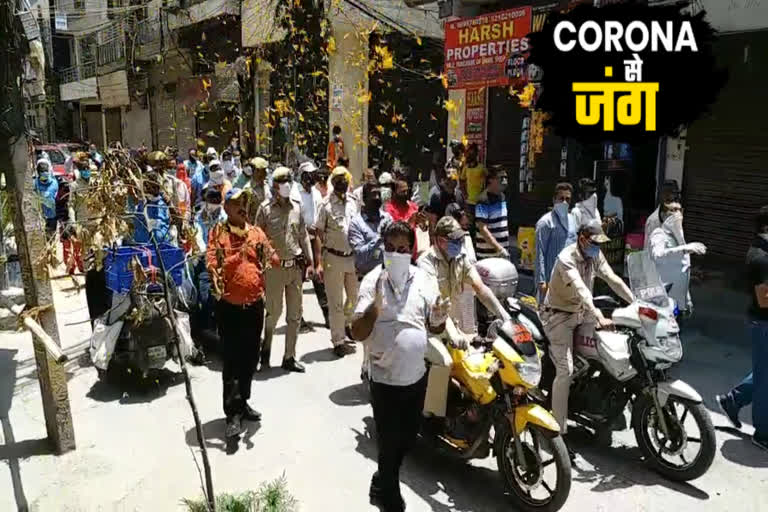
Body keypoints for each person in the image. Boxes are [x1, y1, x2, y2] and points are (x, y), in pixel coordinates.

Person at [350, 221, 447, 512]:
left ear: (412, 251)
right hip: (384, 380)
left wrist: (439, 319)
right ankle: (389, 498)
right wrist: (375, 308)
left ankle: (382, 478)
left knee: (407, 440)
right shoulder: (372, 281)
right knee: (389, 444)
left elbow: (433, 324)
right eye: (390, 248)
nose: (396, 254)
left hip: (416, 377)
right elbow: (356, 332)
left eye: (402, 249)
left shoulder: (424, 280)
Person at [542, 220, 634, 448]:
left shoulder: (595, 255)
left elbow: (613, 279)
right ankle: (557, 433)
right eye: (594, 243)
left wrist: (637, 304)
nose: (597, 248)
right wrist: (598, 316)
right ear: (582, 239)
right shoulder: (566, 259)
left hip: (582, 313)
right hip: (558, 317)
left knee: (610, 351)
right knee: (566, 370)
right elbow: (582, 291)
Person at [417, 216, 511, 418]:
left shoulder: (460, 258)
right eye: (455, 240)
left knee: (481, 363)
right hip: (429, 328)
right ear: (441, 240)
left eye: (461, 239)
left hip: (455, 328)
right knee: (444, 362)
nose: (460, 244)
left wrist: (505, 316)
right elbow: (437, 302)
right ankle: (432, 416)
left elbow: (481, 288)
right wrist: (452, 333)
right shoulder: (426, 263)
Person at [207, 188, 279, 438]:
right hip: (230, 307)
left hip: (254, 306)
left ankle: (243, 402)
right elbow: (212, 266)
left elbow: (272, 257)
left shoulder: (256, 232)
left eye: (245, 202)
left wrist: (284, 258)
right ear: (227, 208)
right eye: (237, 203)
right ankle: (232, 415)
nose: (242, 207)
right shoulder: (218, 234)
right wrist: (236, 256)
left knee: (250, 357)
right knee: (232, 360)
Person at [717, 206, 768, 452]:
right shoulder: (760, 257)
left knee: (764, 372)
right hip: (764, 323)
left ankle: (733, 401)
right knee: (766, 378)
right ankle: (763, 433)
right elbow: (764, 299)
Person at [256, 167, 314, 373]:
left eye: (289, 180)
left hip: (295, 269)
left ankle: (289, 356)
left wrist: (311, 261)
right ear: (274, 186)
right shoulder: (265, 209)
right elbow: (257, 239)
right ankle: (265, 352)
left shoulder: (296, 207)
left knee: (295, 314)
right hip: (274, 270)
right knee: (273, 313)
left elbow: (303, 235)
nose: (287, 184)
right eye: (283, 181)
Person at [313, 166, 359, 357]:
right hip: (333, 257)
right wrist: (318, 262)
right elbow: (318, 233)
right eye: (338, 179)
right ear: (332, 182)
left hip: (352, 257)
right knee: (335, 303)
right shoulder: (325, 205)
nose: (342, 182)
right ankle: (338, 340)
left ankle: (346, 324)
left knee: (354, 299)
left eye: (345, 178)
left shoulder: (354, 202)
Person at [649, 200, 707, 313]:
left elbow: (683, 269)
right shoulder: (659, 233)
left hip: (680, 304)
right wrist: (685, 249)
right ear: (663, 215)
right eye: (673, 210)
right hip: (665, 301)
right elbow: (658, 255)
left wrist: (688, 299)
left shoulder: (678, 236)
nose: (678, 214)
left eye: (680, 210)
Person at [191, 187, 227, 349]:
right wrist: (205, 249)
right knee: (204, 299)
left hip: (224, 263)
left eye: (216, 201)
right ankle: (203, 332)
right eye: (211, 201)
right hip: (206, 263)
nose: (214, 204)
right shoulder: (199, 218)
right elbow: (198, 236)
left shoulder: (224, 217)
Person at [295, 160, 329, 330]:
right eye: (309, 174)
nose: (313, 177)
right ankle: (297, 318)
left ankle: (328, 315)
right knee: (298, 281)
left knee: (319, 276)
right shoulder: (295, 193)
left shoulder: (316, 193)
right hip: (300, 238)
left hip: (315, 237)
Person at [535, 183, 577, 303]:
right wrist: (541, 281)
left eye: (567, 199)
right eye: (561, 199)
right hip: (551, 280)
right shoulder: (545, 223)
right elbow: (540, 253)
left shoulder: (573, 221)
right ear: (554, 200)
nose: (564, 202)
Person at [349, 183, 393, 278]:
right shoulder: (356, 223)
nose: (377, 198)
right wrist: (379, 238)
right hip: (365, 277)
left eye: (379, 194)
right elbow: (360, 256)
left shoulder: (388, 219)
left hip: (387, 276)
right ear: (364, 198)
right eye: (373, 194)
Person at [475, 168, 511, 260]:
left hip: (502, 254)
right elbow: (482, 229)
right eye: (501, 178)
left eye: (505, 178)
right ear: (491, 180)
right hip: (487, 255)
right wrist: (499, 248)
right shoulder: (483, 200)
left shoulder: (502, 197)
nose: (504, 181)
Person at [132, 172, 172, 245]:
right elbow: (137, 222)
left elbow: (165, 223)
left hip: (161, 244)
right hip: (143, 244)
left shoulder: (162, 205)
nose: (145, 189)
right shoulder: (142, 204)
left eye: (148, 186)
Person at [644, 180, 681, 250]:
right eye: (671, 194)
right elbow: (648, 249)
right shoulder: (653, 221)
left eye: (675, 195)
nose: (675, 197)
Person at [239, 157, 271, 223]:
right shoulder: (248, 189)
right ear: (255, 171)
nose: (265, 173)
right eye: (262, 170)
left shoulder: (267, 185)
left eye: (265, 170)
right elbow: (245, 213)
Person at [458, 143, 486, 215]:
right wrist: (464, 194)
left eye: (472, 153)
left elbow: (489, 180)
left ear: (476, 154)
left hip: (480, 202)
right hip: (469, 202)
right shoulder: (466, 168)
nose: (470, 155)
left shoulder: (481, 168)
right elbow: (461, 180)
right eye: (469, 153)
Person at [34, 158, 58, 239]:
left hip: (52, 217)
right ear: (38, 173)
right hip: (40, 218)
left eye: (46, 171)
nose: (45, 173)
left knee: (51, 239)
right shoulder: (35, 184)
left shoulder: (54, 183)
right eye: (42, 172)